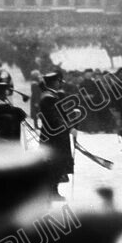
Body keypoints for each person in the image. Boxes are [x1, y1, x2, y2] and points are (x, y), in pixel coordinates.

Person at [38, 71, 76, 201]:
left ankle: (53, 191)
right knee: (54, 164)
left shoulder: (52, 95)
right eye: (59, 81)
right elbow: (54, 118)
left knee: (57, 164)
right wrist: (68, 126)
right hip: (54, 136)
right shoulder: (48, 97)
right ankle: (50, 192)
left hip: (56, 135)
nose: (60, 84)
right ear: (54, 82)